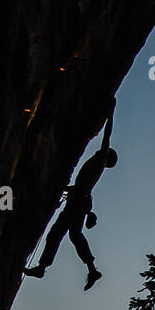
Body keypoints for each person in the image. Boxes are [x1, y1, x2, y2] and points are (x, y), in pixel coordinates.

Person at [24, 100, 117, 290]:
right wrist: (64, 189)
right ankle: (49, 267)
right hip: (79, 200)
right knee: (63, 234)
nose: (102, 149)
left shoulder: (99, 161)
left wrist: (110, 113)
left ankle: (50, 268)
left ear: (107, 156)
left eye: (106, 151)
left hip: (79, 202)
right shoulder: (95, 167)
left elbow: (107, 136)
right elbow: (78, 187)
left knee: (66, 234)